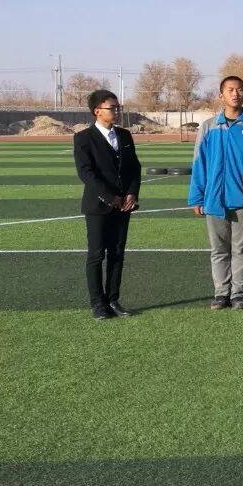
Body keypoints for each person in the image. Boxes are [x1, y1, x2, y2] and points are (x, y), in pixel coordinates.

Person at [188, 76, 243, 310]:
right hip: (215, 199)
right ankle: (221, 293)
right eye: (230, 89)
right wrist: (197, 196)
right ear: (221, 95)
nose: (235, 93)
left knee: (241, 250)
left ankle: (238, 294)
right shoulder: (208, 127)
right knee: (219, 250)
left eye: (240, 89)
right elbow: (199, 164)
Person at [73, 89, 141, 320]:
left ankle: (113, 299)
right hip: (98, 206)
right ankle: (98, 303)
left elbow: (134, 167)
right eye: (112, 108)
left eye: (118, 107)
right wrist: (110, 197)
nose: (117, 111)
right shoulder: (83, 138)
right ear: (97, 111)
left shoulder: (124, 135)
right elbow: (86, 173)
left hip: (124, 206)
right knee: (96, 254)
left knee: (117, 252)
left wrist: (132, 193)